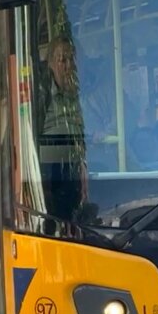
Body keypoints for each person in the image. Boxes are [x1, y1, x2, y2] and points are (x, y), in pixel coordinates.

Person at [37, 36, 87, 218]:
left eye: (72, 59)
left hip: (75, 167)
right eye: (62, 60)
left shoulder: (78, 94)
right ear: (50, 63)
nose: (68, 65)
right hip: (49, 174)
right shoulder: (41, 94)